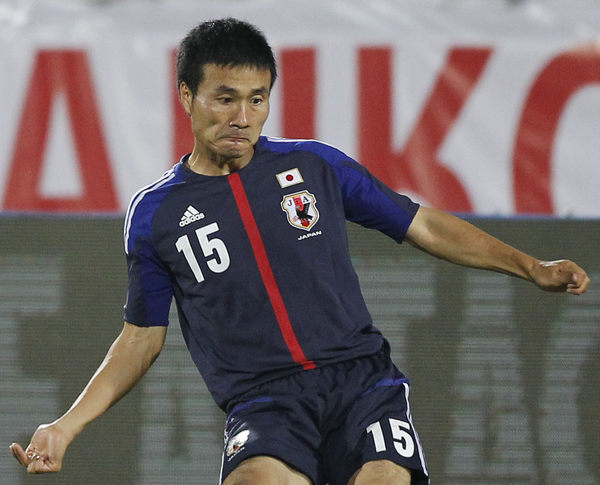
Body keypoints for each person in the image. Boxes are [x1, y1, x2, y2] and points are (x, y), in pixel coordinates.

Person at [10, 17, 590, 485]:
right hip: (264, 403)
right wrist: (65, 426)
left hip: (362, 385)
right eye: (225, 98)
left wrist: (531, 266)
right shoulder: (155, 213)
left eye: (257, 99)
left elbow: (422, 225)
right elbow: (141, 338)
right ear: (187, 96)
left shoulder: (314, 165)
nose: (242, 118)